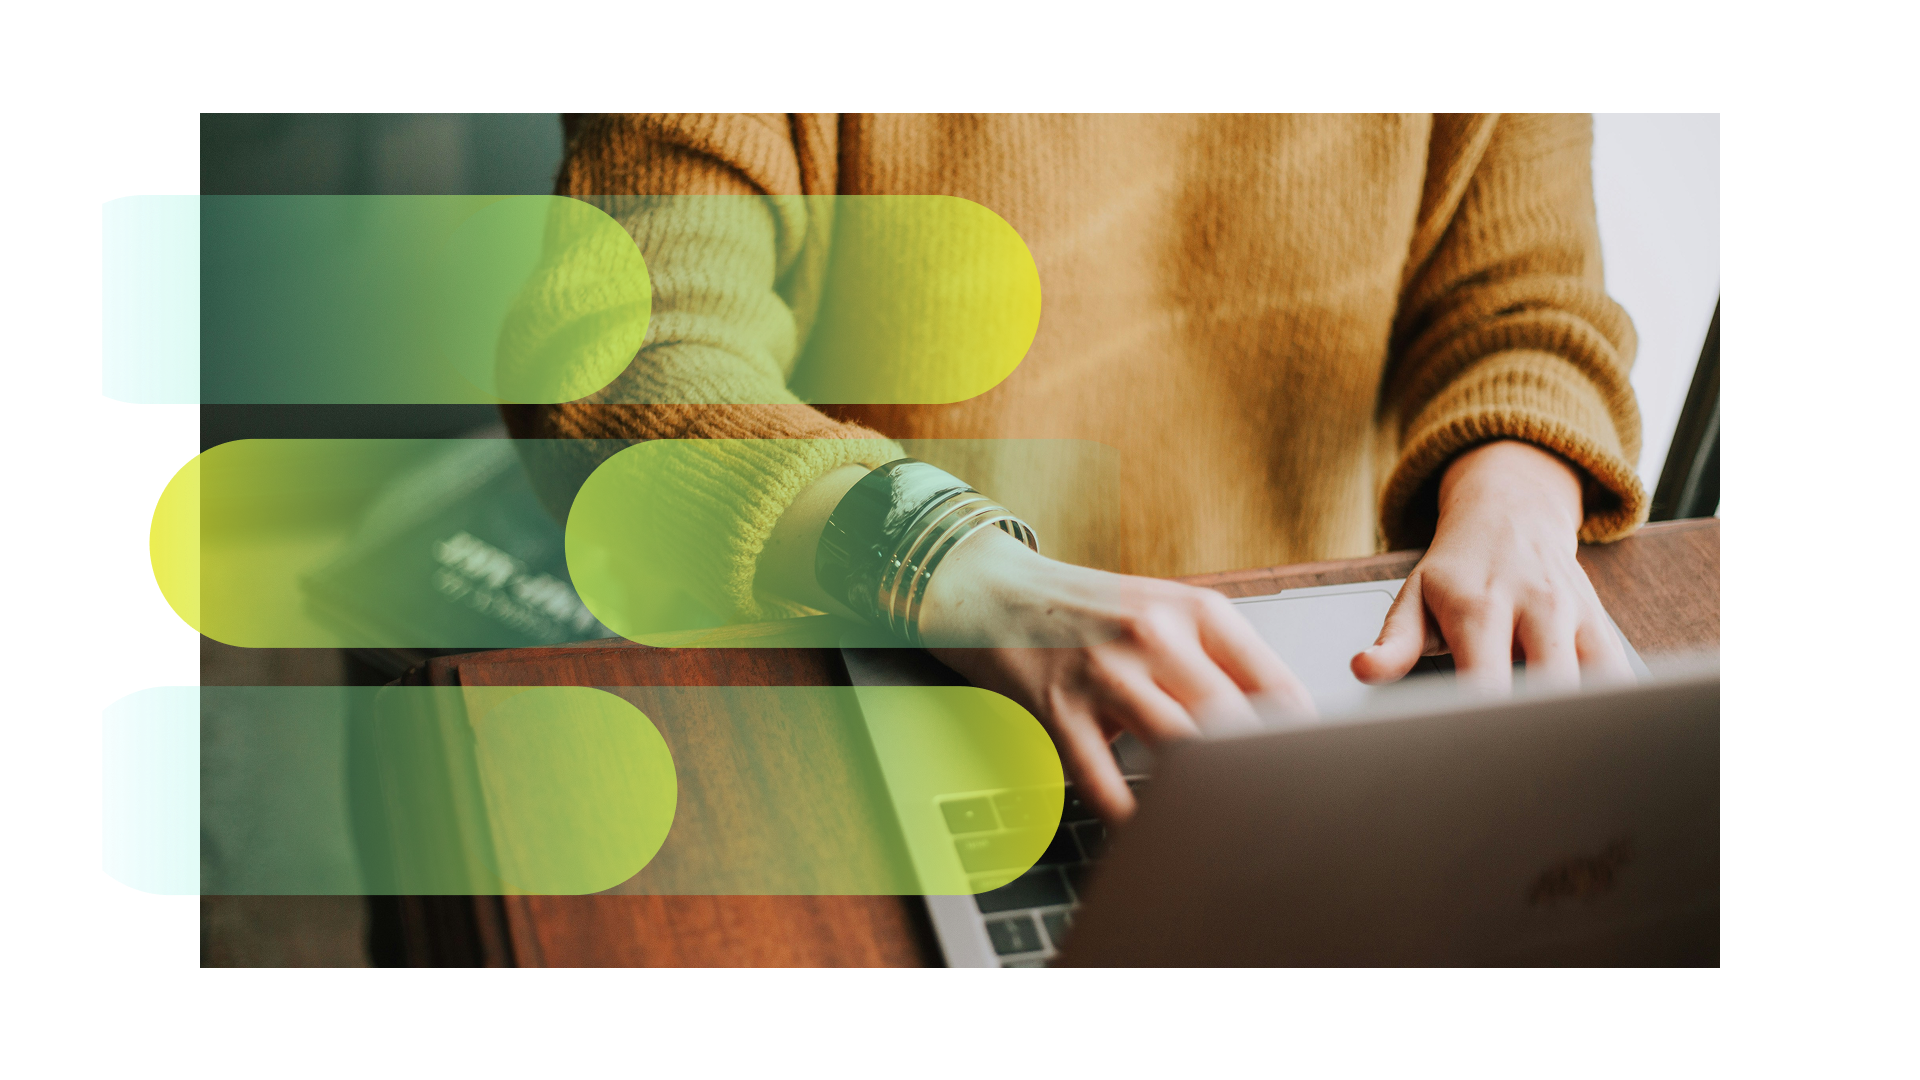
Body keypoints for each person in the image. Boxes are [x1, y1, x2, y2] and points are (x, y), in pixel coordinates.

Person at [503, 113, 1644, 822]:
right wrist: (940, 560)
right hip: (900, 678)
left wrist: (1519, 494)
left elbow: (1526, 305)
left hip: (1312, 699)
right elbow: (623, 351)